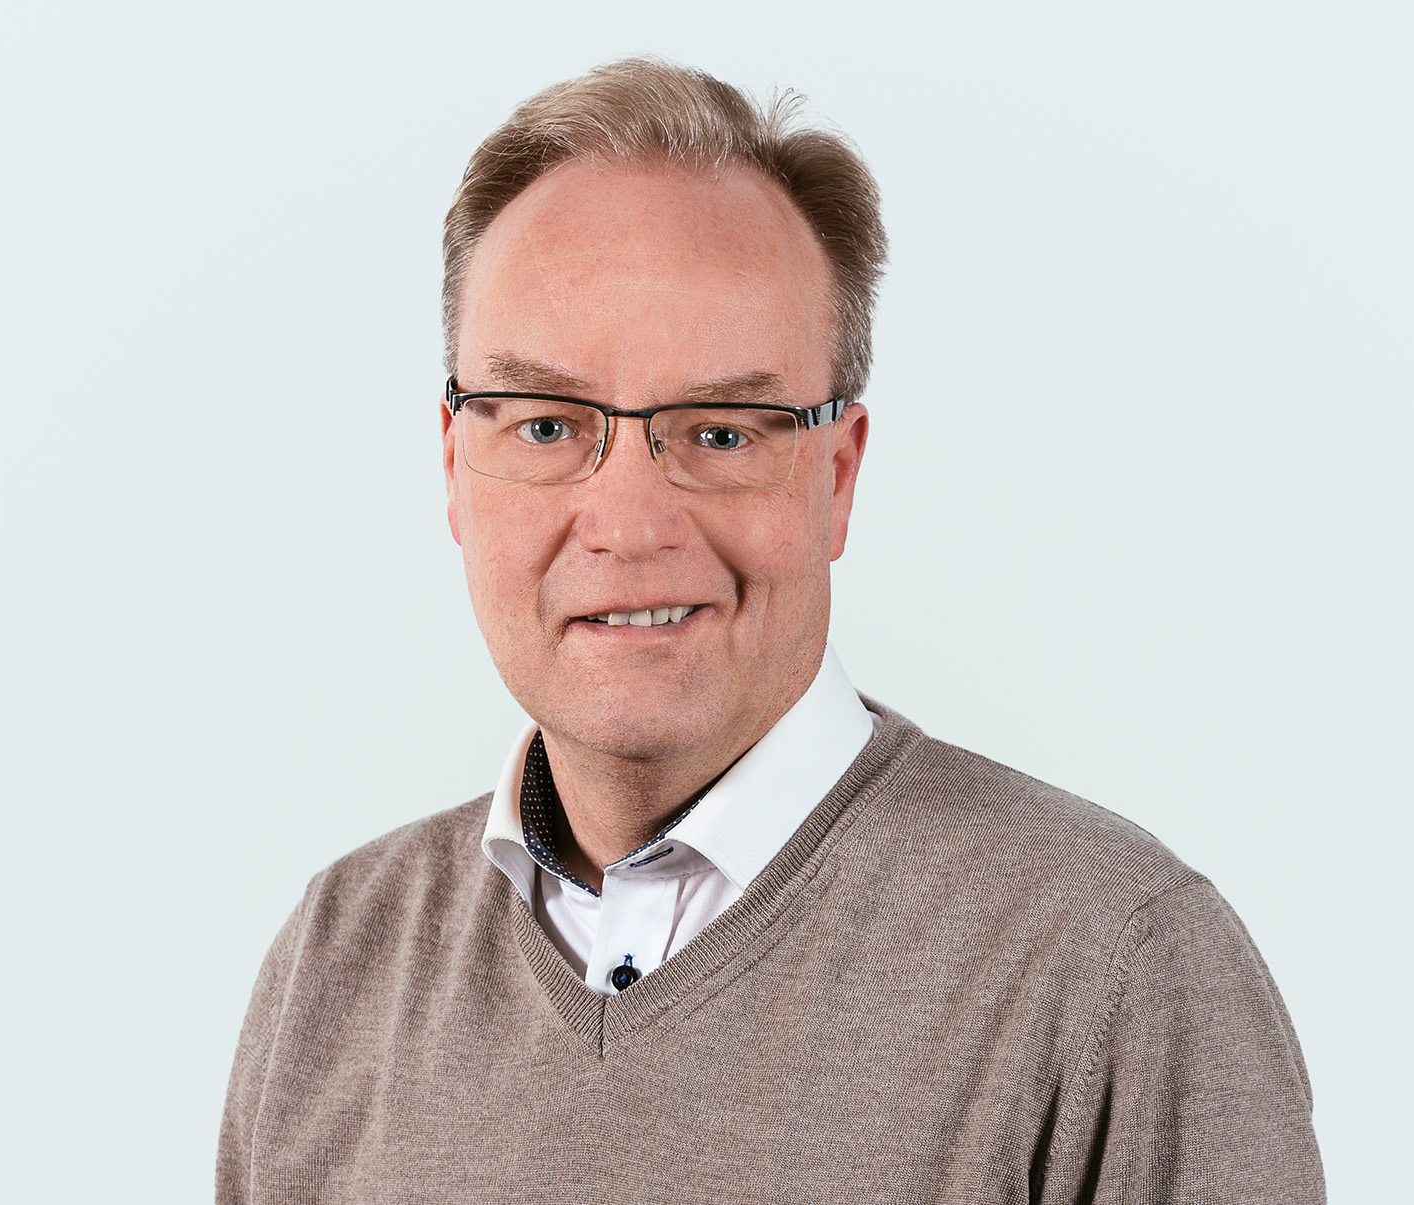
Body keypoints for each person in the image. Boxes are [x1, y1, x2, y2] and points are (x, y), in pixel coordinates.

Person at [217, 59, 1324, 1203]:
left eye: (723, 432)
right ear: (455, 467)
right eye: (546, 425)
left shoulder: (1113, 963)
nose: (628, 524)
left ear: (837, 476)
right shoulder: (335, 962)